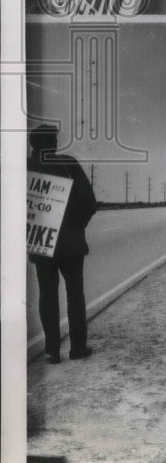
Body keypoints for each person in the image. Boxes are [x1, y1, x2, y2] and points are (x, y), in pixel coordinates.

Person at [27, 124, 97, 364]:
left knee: (47, 295)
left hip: (40, 240)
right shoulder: (67, 163)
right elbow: (90, 201)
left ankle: (51, 351)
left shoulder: (24, 167)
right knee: (75, 295)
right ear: (50, 142)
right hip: (70, 243)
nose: (57, 142)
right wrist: (77, 226)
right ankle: (77, 348)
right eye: (55, 138)